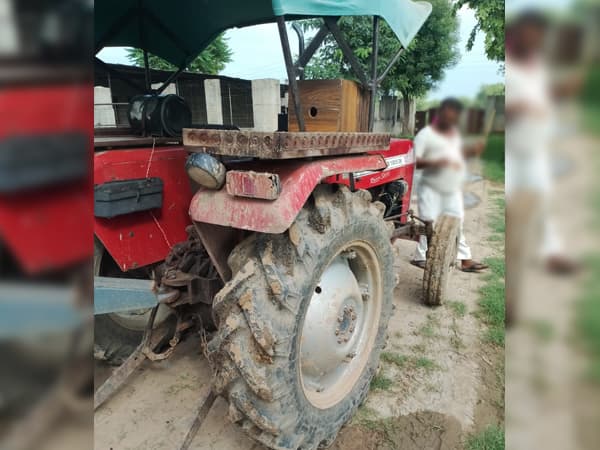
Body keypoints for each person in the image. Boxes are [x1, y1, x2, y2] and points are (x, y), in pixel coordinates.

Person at [505, 10, 580, 275]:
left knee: (544, 200)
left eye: (540, 33)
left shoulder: (537, 64)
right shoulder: (508, 66)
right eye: (532, 31)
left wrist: (561, 92)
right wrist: (521, 107)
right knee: (510, 206)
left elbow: (544, 98)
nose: (537, 37)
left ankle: (552, 253)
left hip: (535, 148)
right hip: (511, 152)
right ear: (520, 32)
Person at [410, 98, 488, 272]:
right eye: (449, 115)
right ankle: (420, 256)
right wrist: (438, 162)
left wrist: (471, 151)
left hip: (450, 186)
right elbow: (415, 160)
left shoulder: (453, 135)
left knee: (457, 220)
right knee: (429, 222)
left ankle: (465, 259)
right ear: (441, 113)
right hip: (429, 186)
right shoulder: (426, 134)